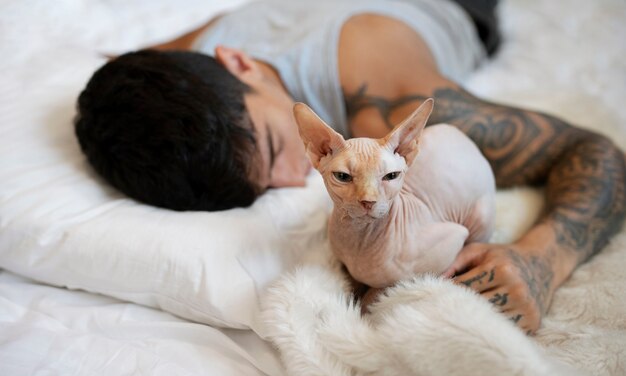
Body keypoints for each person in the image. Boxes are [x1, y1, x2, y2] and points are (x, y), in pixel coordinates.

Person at [74, 0, 626, 334]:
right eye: (262, 185)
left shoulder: (383, 100)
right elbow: (108, 81)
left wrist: (542, 259)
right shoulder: (188, 61)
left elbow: (595, 152)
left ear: (238, 62)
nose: (293, 178)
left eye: (272, 146)